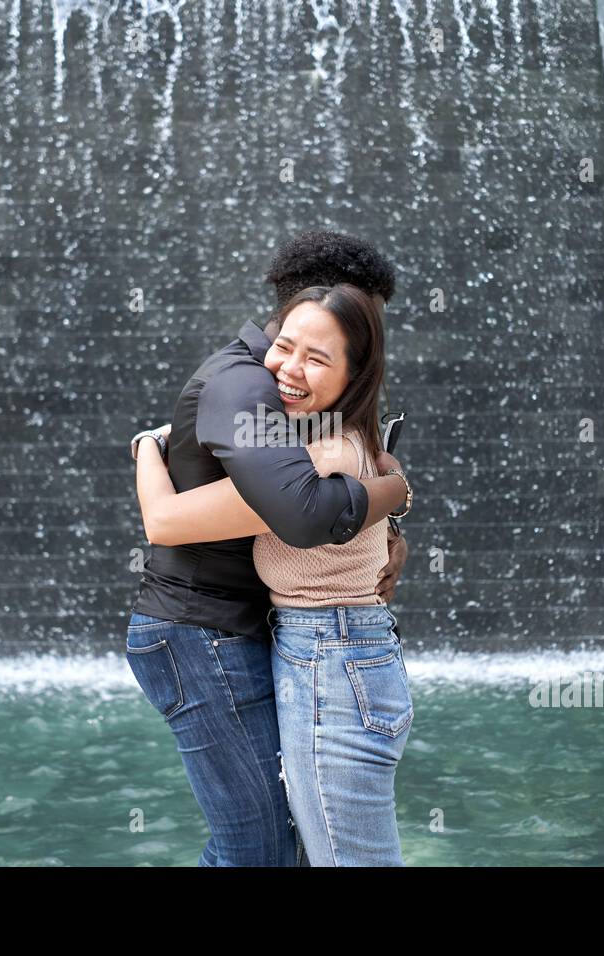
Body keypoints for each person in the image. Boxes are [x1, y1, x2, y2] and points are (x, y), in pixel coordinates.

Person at [125, 231, 411, 866]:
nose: (371, 326)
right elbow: (300, 512)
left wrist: (385, 530)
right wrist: (396, 491)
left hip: (255, 630)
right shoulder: (250, 389)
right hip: (202, 631)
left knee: (285, 851)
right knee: (256, 851)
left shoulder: (294, 403)